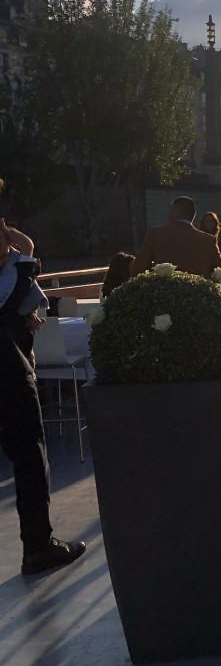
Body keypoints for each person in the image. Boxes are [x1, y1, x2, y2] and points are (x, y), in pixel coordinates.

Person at [0, 212, 87, 574]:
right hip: (7, 371)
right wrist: (20, 250)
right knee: (30, 455)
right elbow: (23, 265)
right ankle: (38, 545)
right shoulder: (17, 270)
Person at [130, 196, 221, 278]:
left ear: (175, 212)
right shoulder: (209, 240)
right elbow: (220, 273)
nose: (168, 214)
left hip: (163, 291)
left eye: (170, 210)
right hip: (200, 292)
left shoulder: (155, 234)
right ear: (193, 215)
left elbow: (137, 269)